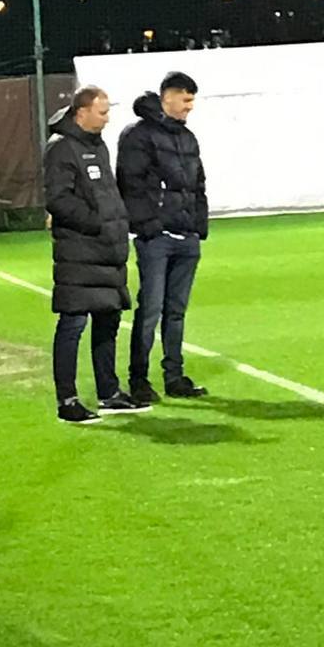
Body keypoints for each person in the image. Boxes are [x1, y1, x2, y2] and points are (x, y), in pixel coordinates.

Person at [44, 86, 150, 424]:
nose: (107, 118)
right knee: (73, 324)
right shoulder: (61, 148)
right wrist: (96, 223)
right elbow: (58, 199)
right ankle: (67, 401)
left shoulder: (97, 145)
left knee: (108, 322)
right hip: (79, 252)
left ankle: (109, 393)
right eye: (102, 112)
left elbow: (107, 193)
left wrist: (116, 227)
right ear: (82, 112)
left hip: (107, 251)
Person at [116, 71, 209, 403]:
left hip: (186, 236)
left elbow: (198, 185)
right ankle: (139, 379)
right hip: (156, 238)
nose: (190, 107)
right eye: (186, 100)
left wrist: (198, 226)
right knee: (151, 309)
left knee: (176, 311)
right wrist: (149, 225)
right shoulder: (138, 135)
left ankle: (174, 377)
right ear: (168, 96)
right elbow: (130, 184)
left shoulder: (188, 137)